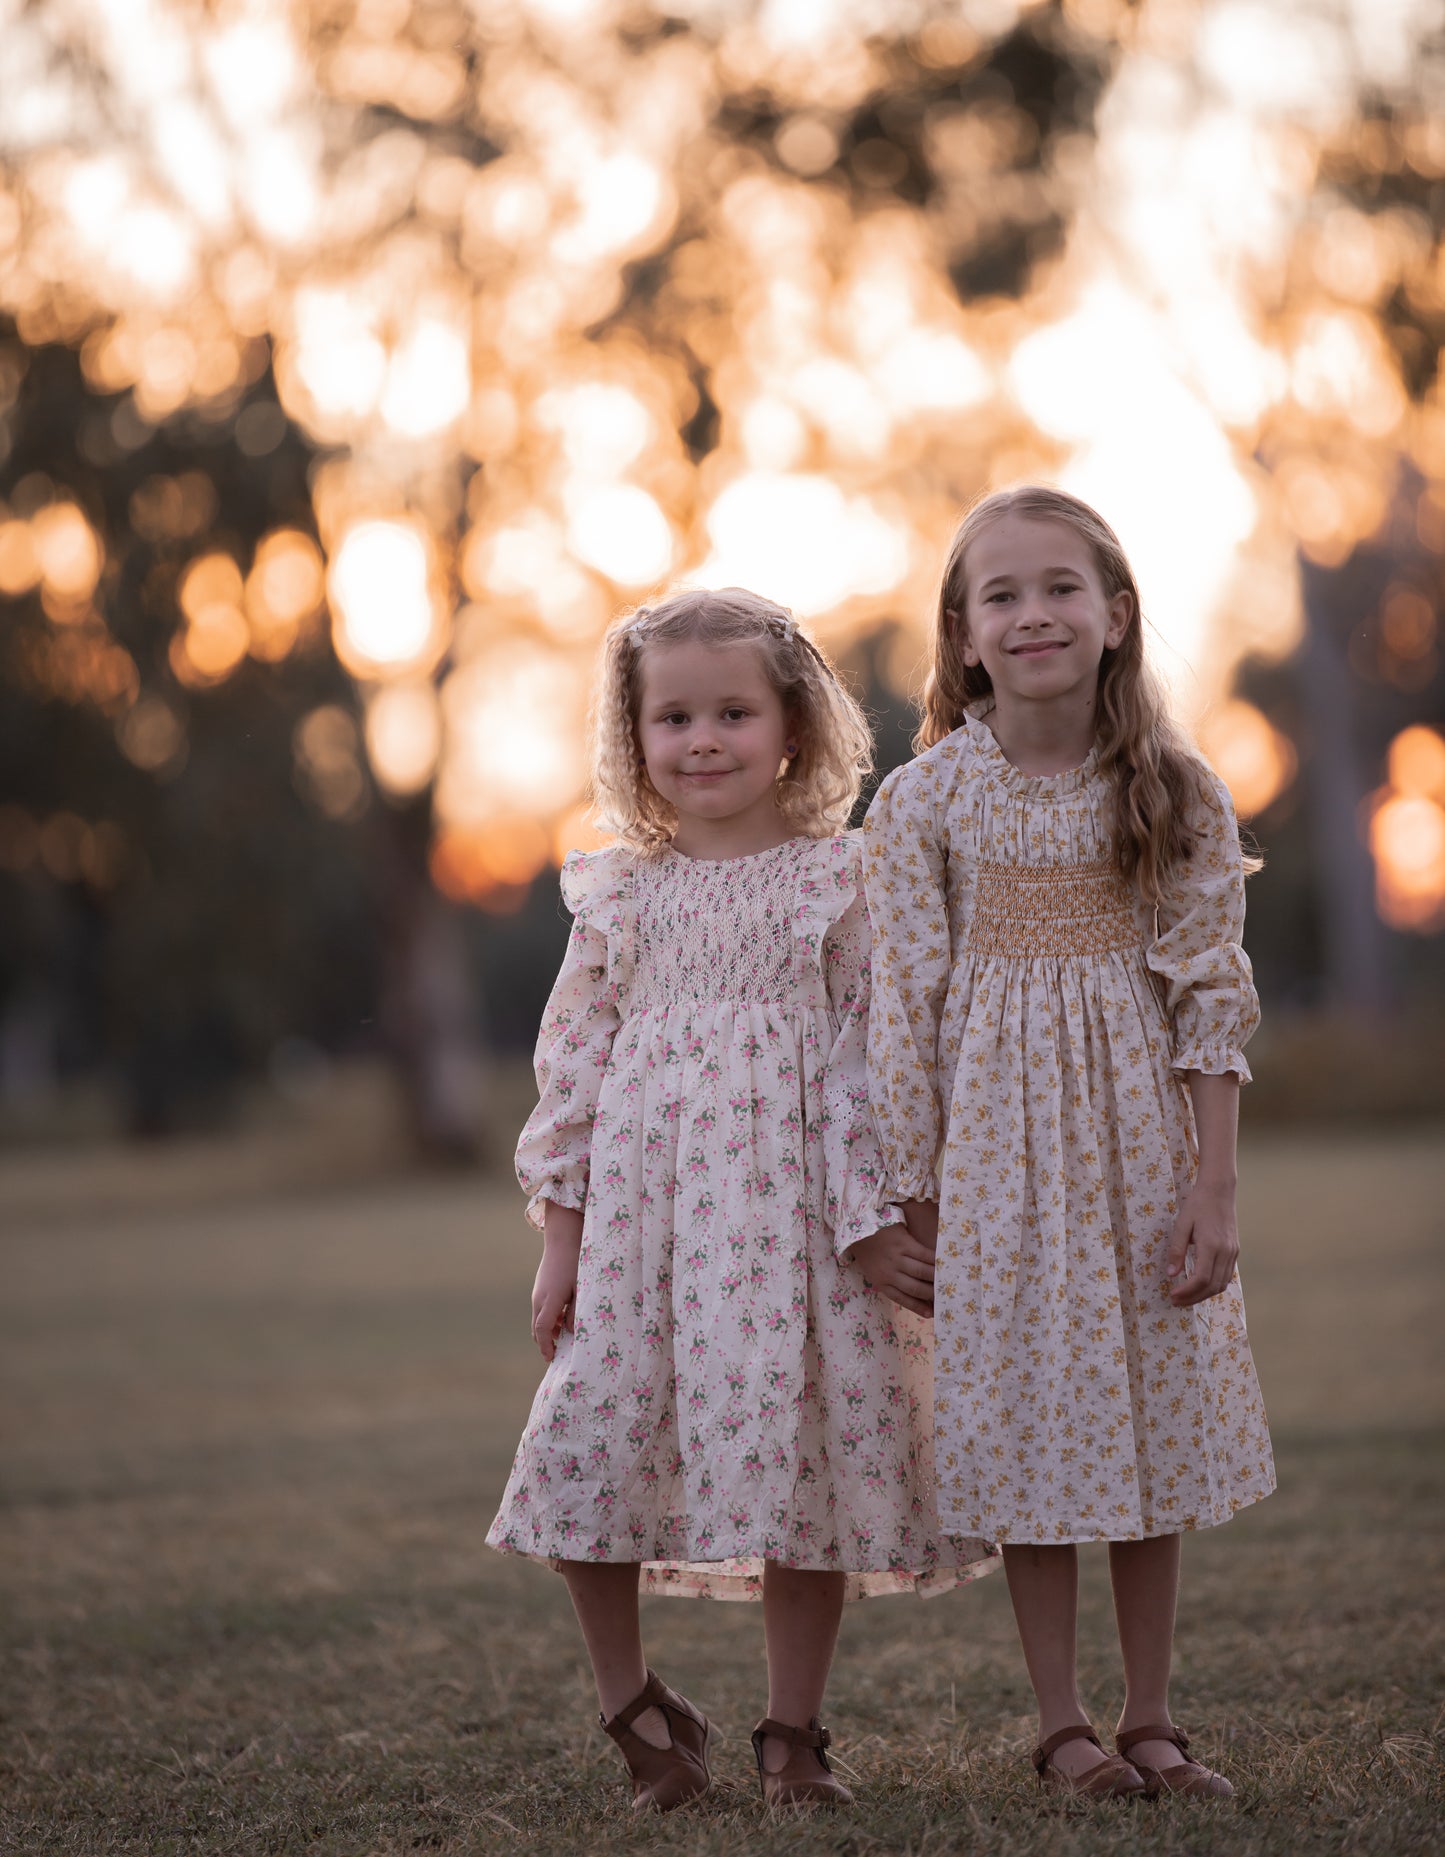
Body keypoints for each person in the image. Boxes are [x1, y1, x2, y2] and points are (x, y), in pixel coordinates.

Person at [487, 588, 997, 1812]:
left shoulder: (837, 881)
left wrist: (876, 1219)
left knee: (798, 1471)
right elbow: (571, 1074)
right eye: (673, 717)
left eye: (730, 712)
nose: (702, 739)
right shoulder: (619, 894)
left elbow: (877, 1059)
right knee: (583, 1451)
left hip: (796, 1228)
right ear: (635, 736)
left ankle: (792, 1733)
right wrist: (558, 1246)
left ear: (791, 728)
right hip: (642, 1235)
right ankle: (634, 1705)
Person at [864, 486, 1275, 1802]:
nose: (1032, 612)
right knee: (1033, 1420)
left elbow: (1210, 990)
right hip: (993, 1161)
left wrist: (1213, 1185)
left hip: (1136, 1144)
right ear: (964, 636)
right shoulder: (925, 800)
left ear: (1113, 616)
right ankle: (1064, 1723)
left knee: (1146, 1417)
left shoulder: (1173, 787)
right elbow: (904, 1007)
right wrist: (909, 1190)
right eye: (1001, 594)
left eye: (1059, 587)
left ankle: (1153, 1714)